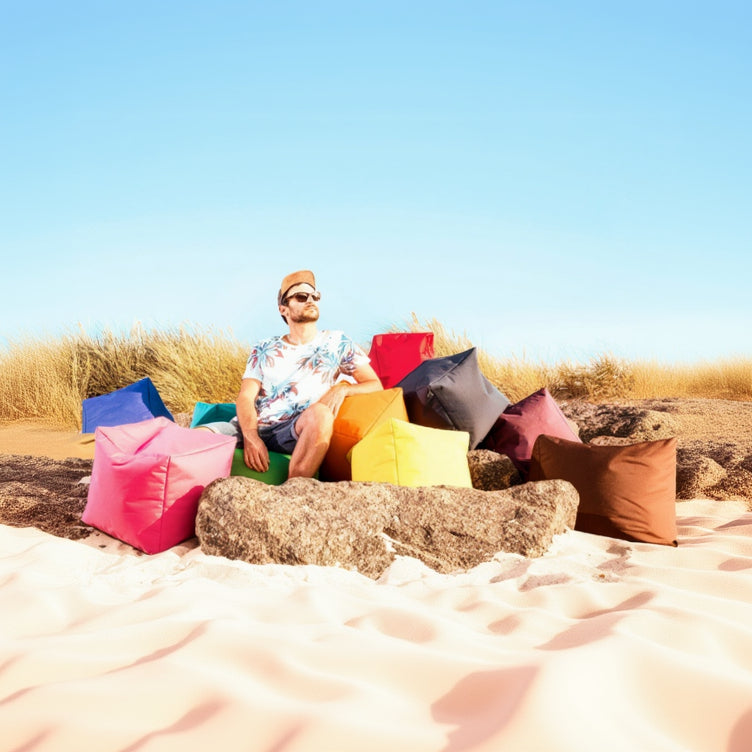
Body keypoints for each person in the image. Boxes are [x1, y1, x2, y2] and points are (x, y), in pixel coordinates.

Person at [204, 270, 383, 478]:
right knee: (194, 438)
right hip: (254, 425)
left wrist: (343, 389)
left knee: (321, 415)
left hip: (294, 429)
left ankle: (293, 493)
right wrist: (251, 436)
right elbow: (246, 396)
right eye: (301, 296)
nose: (310, 300)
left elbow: (374, 385)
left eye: (315, 296)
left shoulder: (337, 342)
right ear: (283, 309)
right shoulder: (264, 347)